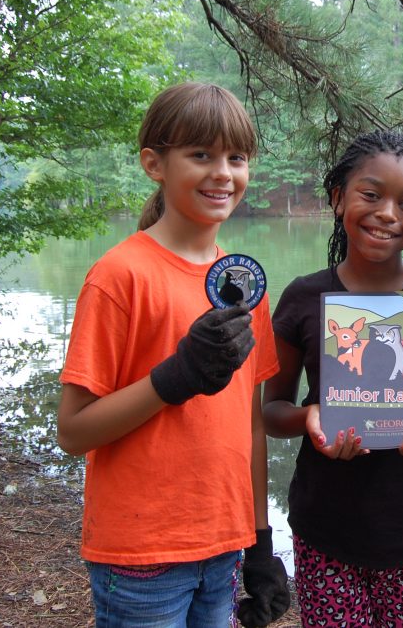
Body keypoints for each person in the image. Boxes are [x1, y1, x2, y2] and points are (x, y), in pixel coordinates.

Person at [56, 82, 290, 627]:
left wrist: (259, 544)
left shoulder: (241, 281)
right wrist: (175, 378)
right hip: (144, 554)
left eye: (237, 158)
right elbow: (74, 431)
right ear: (154, 164)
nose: (223, 173)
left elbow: (249, 425)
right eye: (201, 155)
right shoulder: (120, 275)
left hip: (224, 545)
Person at [262, 130, 403, 626]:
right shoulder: (304, 296)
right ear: (339, 197)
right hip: (325, 527)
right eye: (371, 194)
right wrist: (310, 417)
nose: (388, 213)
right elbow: (272, 410)